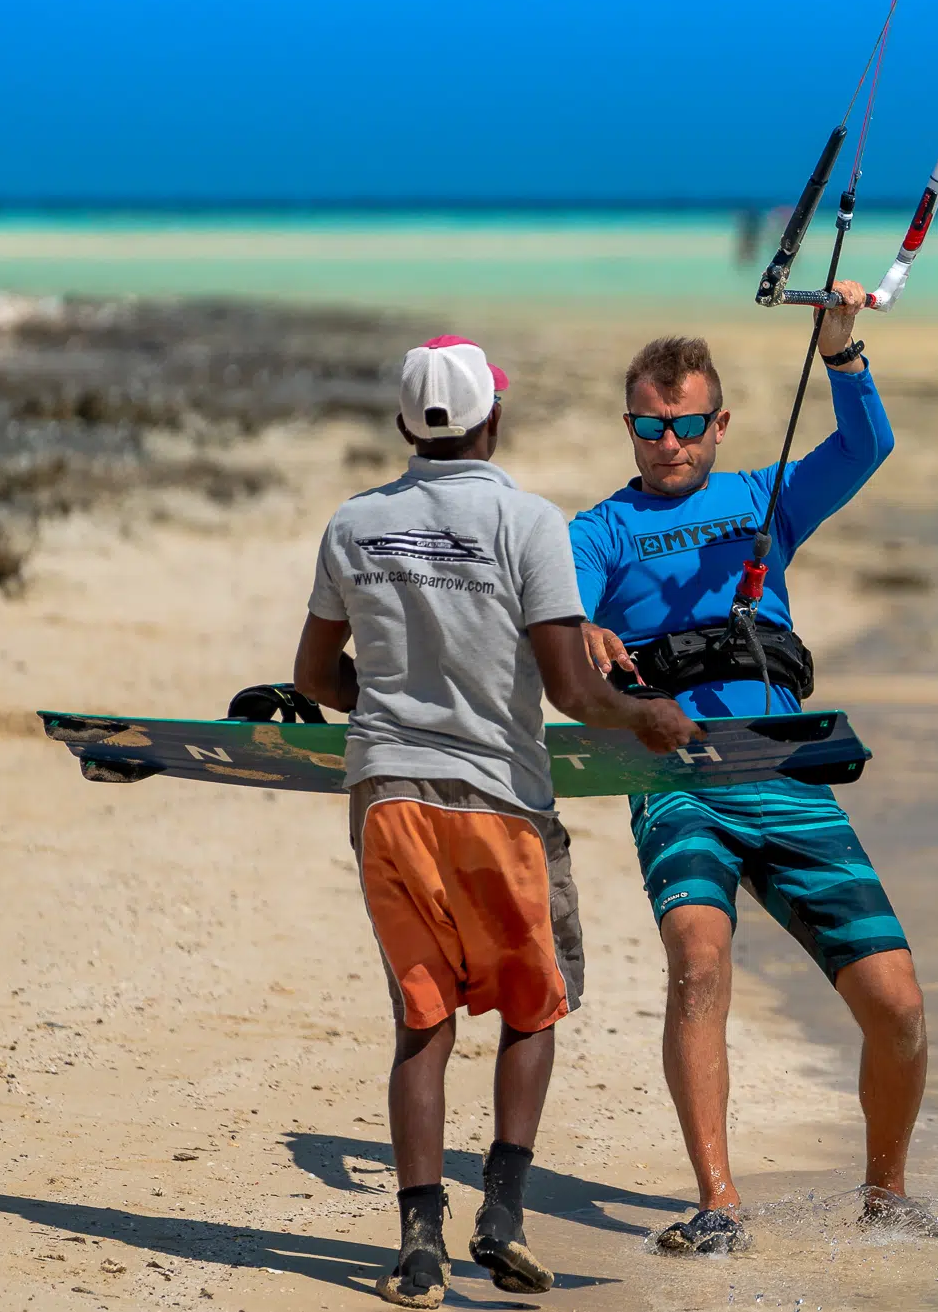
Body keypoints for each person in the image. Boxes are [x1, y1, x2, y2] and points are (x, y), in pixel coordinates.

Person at [294, 335, 702, 1307]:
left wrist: (393, 711)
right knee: (531, 1007)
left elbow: (315, 678)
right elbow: (570, 690)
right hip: (499, 800)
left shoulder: (353, 525)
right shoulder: (527, 522)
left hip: (385, 797)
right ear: (493, 418)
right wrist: (645, 717)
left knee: (421, 1020)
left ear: (405, 425)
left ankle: (418, 1248)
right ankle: (504, 1218)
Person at [570, 283, 938, 1253]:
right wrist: (588, 635)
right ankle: (718, 1203)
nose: (668, 443)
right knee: (698, 959)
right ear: (630, 427)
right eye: (649, 427)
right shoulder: (596, 534)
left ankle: (888, 1196)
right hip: (675, 780)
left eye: (687, 424)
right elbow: (564, 634)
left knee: (896, 1002)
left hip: (784, 770)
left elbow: (866, 449)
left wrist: (841, 349)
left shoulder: (761, 500)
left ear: (720, 420)